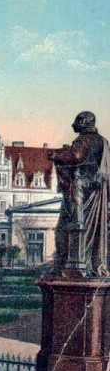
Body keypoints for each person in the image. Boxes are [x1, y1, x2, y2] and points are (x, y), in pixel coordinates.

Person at [48, 111, 110, 275]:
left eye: (77, 121)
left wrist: (55, 155)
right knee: (92, 228)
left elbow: (75, 156)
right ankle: (89, 261)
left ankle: (74, 263)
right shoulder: (103, 141)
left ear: (84, 122)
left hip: (80, 186)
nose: (73, 125)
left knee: (72, 224)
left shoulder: (84, 139)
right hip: (96, 191)